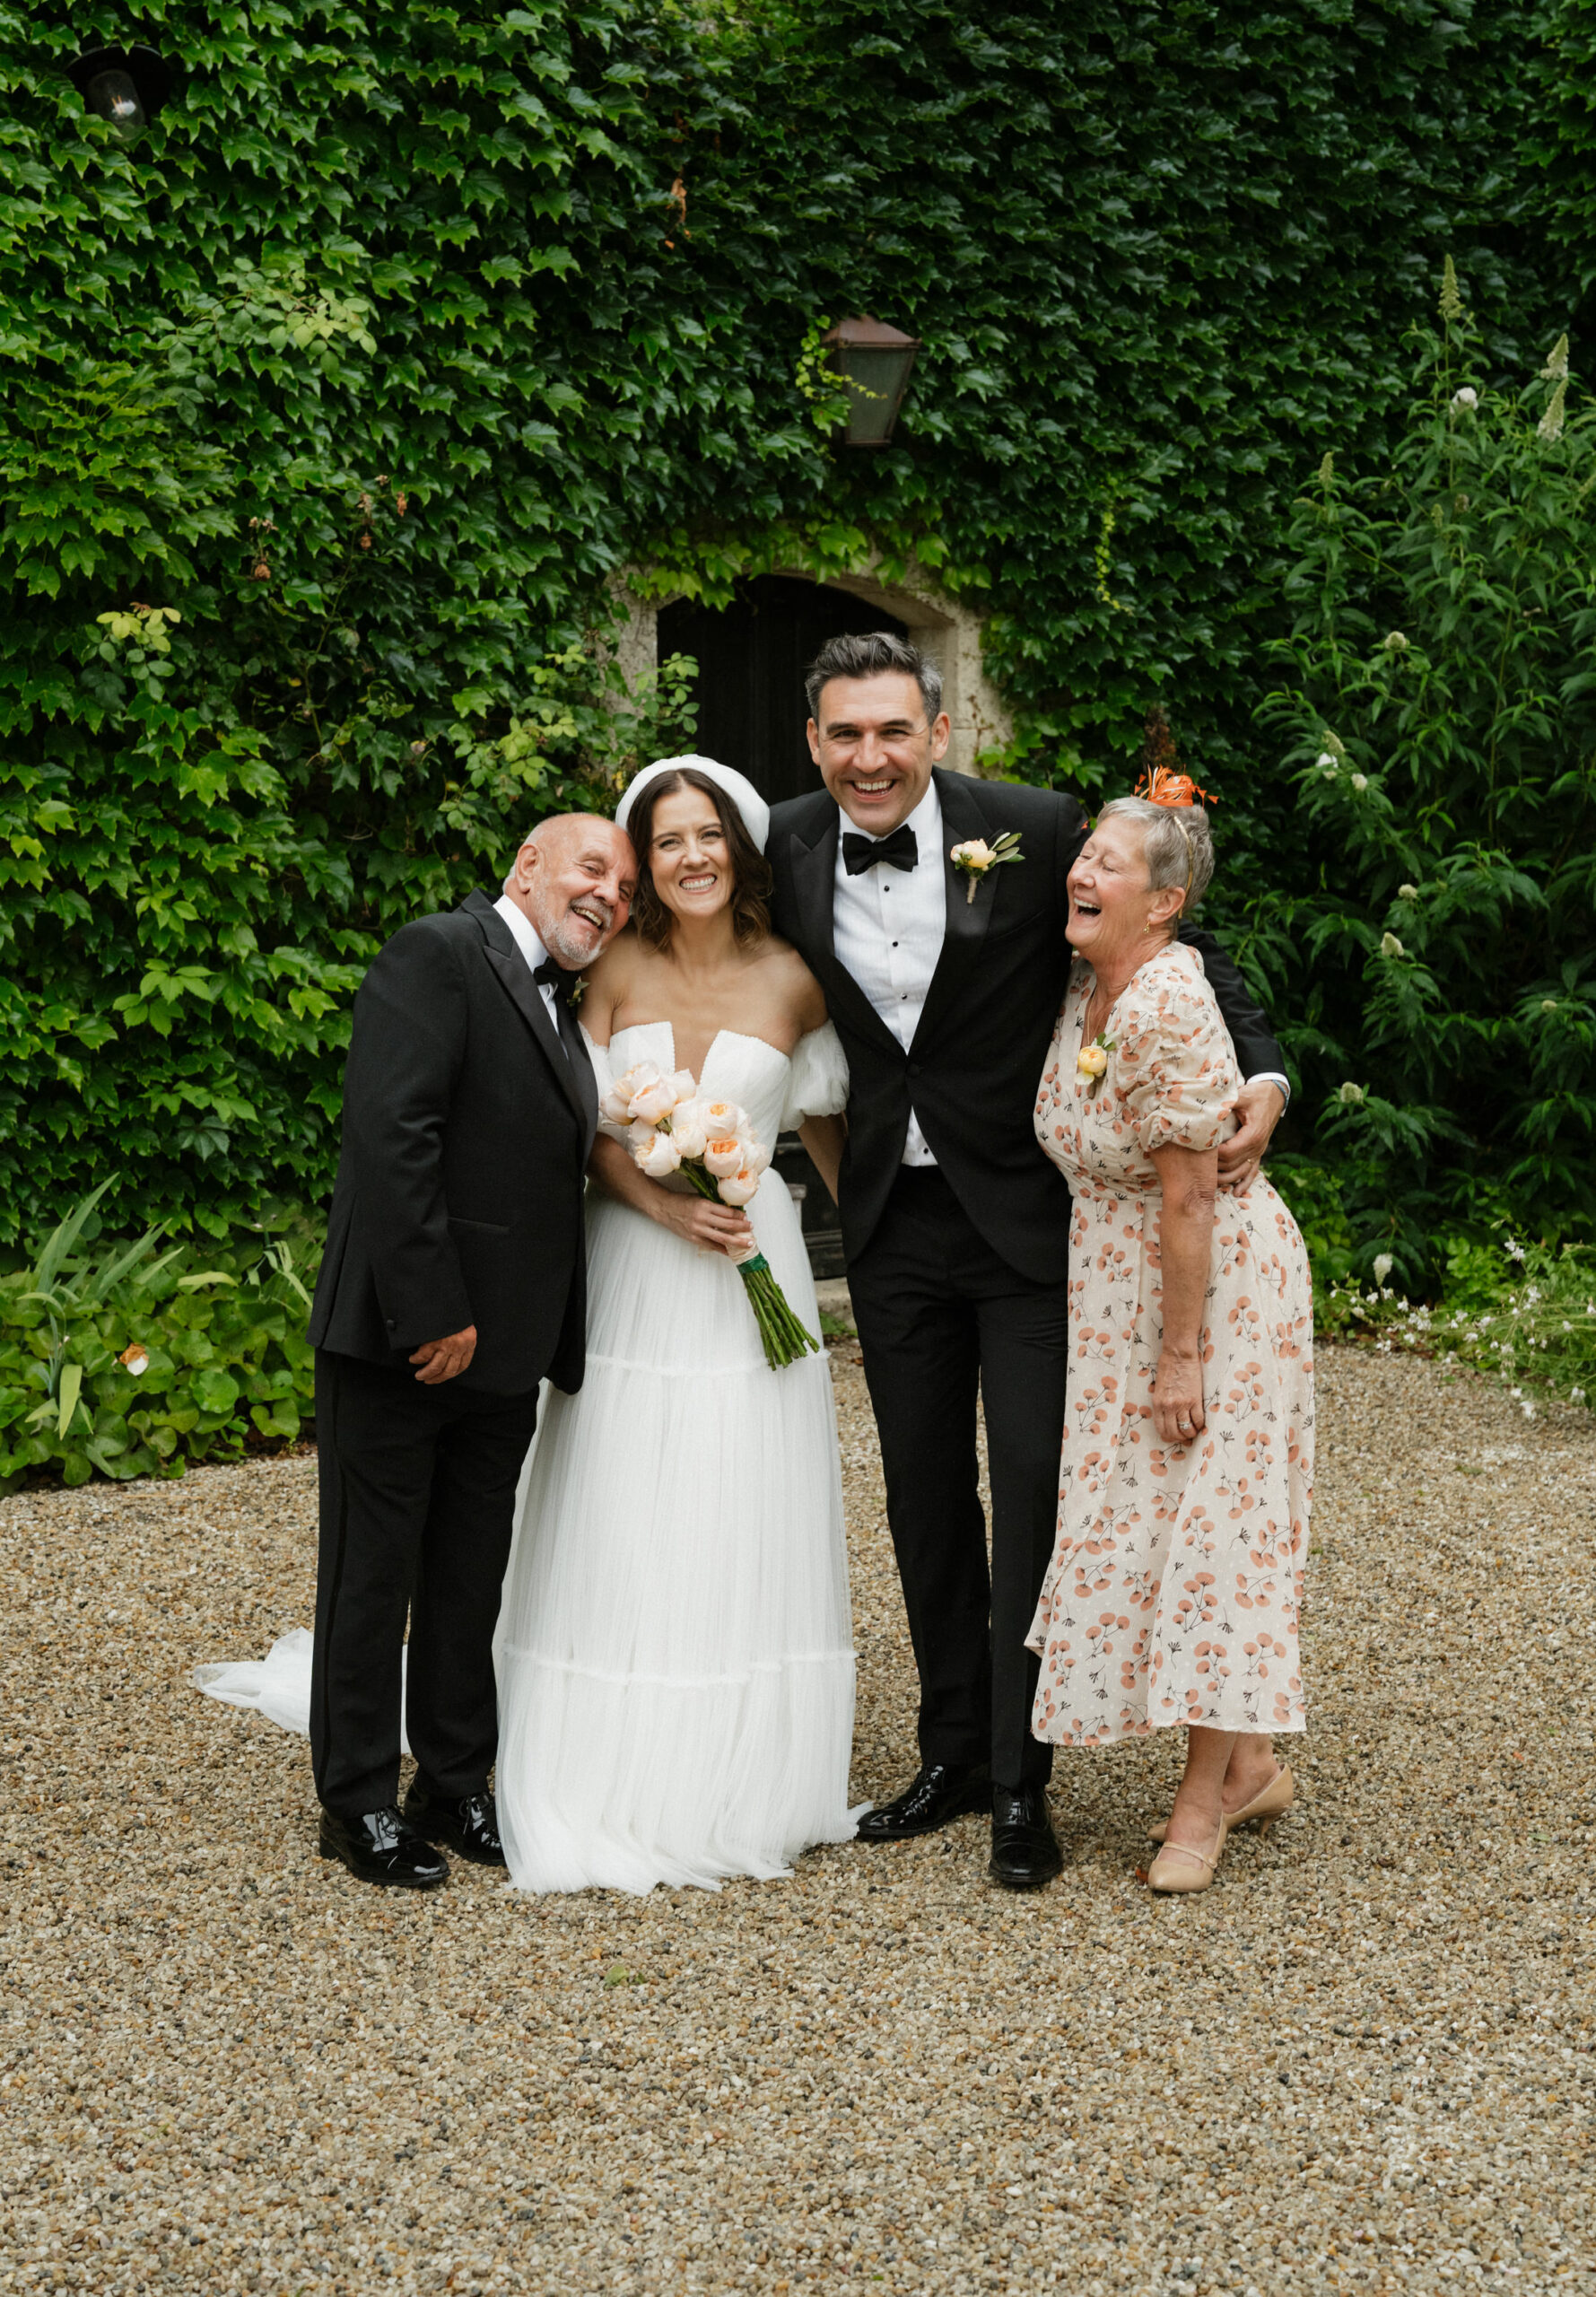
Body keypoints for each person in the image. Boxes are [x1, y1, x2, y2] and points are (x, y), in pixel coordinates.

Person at [765, 635, 1291, 1891]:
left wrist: (1266, 1071)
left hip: (1029, 1223)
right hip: (885, 1225)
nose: (871, 757)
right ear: (814, 742)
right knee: (923, 1494)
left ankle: (1020, 1781)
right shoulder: (779, 844)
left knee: (1039, 1491)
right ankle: (950, 1752)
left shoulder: (1036, 827)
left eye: (894, 731)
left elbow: (1184, 944)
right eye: (847, 734)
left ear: (939, 733)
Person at [491, 759, 860, 1893]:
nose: (692, 857)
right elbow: (583, 1127)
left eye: (709, 836)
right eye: (668, 842)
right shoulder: (613, 965)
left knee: (737, 1490)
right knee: (622, 1485)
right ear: (644, 863)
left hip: (755, 1265)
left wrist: (890, 1251)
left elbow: (832, 1130)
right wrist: (663, 1204)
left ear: (739, 851)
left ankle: (741, 1768)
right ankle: (600, 1749)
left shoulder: (798, 981)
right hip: (634, 1261)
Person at [301, 814, 636, 1889]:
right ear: (527, 865)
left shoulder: (563, 996)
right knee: (371, 1577)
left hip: (506, 1352)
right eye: (593, 868)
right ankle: (356, 1801)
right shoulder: (440, 951)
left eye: (626, 889)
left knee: (466, 1579)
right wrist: (433, 1310)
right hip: (405, 1340)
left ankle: (450, 1785)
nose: (610, 894)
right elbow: (391, 1134)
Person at [1027, 789, 1314, 1894]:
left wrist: (1182, 1353)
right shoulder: (1083, 985)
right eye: (1084, 854)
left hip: (1210, 1295)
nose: (1081, 873)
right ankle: (1248, 1763)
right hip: (1119, 1294)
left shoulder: (1165, 1005)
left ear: (1165, 904)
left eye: (1109, 863)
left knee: (1214, 1534)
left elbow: (1191, 1195)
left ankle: (1201, 1808)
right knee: (1150, 1523)